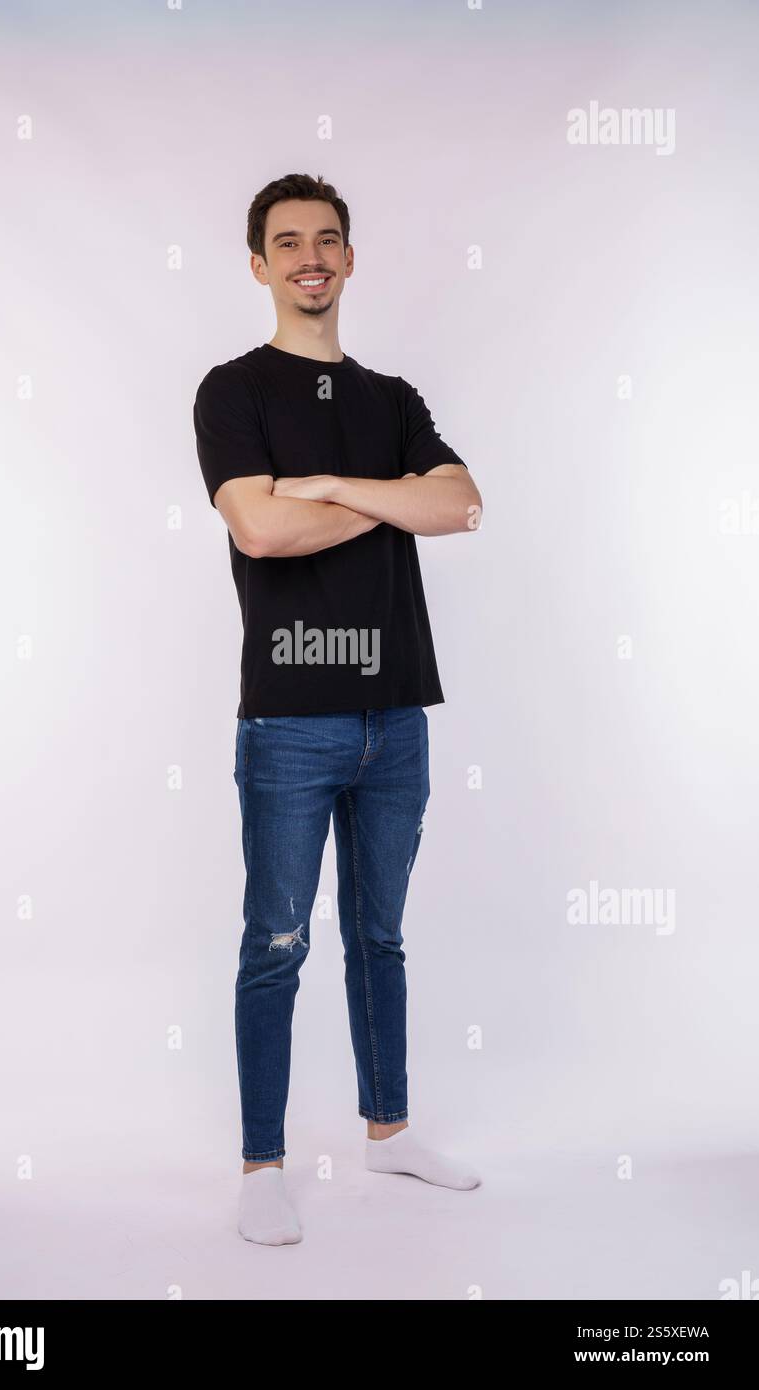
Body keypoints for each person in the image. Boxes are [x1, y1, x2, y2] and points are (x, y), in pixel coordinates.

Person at [193, 173, 484, 1245]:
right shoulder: (230, 392)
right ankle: (261, 1164)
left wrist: (331, 485)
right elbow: (258, 533)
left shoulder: (391, 398)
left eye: (327, 239)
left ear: (349, 261)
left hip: (396, 712)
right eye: (286, 242)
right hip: (289, 721)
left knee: (380, 935)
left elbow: (457, 502)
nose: (309, 255)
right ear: (260, 266)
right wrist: (381, 497)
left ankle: (388, 1128)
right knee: (274, 939)